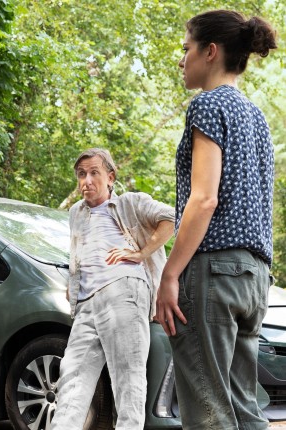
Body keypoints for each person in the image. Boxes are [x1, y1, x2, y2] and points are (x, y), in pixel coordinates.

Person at [156, 10, 278, 430]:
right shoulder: (257, 118)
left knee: (208, 414)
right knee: (244, 410)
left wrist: (170, 273)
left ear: (210, 52)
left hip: (214, 273)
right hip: (254, 278)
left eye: (186, 48)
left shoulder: (207, 105)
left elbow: (204, 199)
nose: (181, 59)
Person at [52, 148, 174, 429]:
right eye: (81, 174)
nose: (86, 181)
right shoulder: (76, 212)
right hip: (86, 303)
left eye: (94, 173)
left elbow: (170, 218)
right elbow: (79, 253)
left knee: (128, 378)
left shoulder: (130, 203)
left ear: (110, 177)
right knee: (72, 379)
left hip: (123, 292)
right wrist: (74, 284)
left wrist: (141, 253)